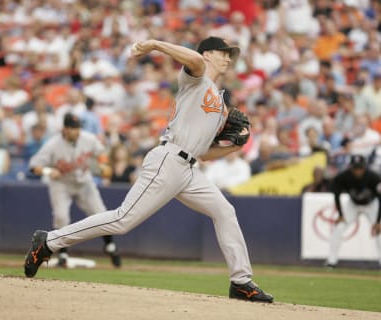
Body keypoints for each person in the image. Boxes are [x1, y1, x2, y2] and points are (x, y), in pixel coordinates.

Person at [24, 37, 273, 303]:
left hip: (189, 168)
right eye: (223, 53)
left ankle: (241, 281)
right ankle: (49, 241)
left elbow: (203, 154)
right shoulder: (196, 78)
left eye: (230, 54)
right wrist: (155, 43)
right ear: (208, 53)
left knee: (225, 212)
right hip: (168, 159)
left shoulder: (222, 108)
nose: (228, 58)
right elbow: (195, 61)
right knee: (122, 220)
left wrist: (231, 148)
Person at [28, 113, 121, 268]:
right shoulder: (52, 144)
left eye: (77, 128)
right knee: (61, 217)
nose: (76, 131)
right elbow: (33, 166)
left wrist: (103, 164)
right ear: (64, 129)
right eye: (72, 128)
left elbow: (101, 152)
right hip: (61, 183)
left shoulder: (88, 138)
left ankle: (110, 246)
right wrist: (48, 172)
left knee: (100, 212)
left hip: (84, 182)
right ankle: (63, 254)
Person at [325, 155, 381, 269]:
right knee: (339, 227)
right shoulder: (344, 176)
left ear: (365, 167)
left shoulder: (374, 177)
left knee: (379, 232)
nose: (358, 171)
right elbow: (336, 193)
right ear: (351, 168)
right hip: (353, 204)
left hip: (372, 204)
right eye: (355, 168)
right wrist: (340, 214)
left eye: (360, 168)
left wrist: (378, 220)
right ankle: (332, 261)